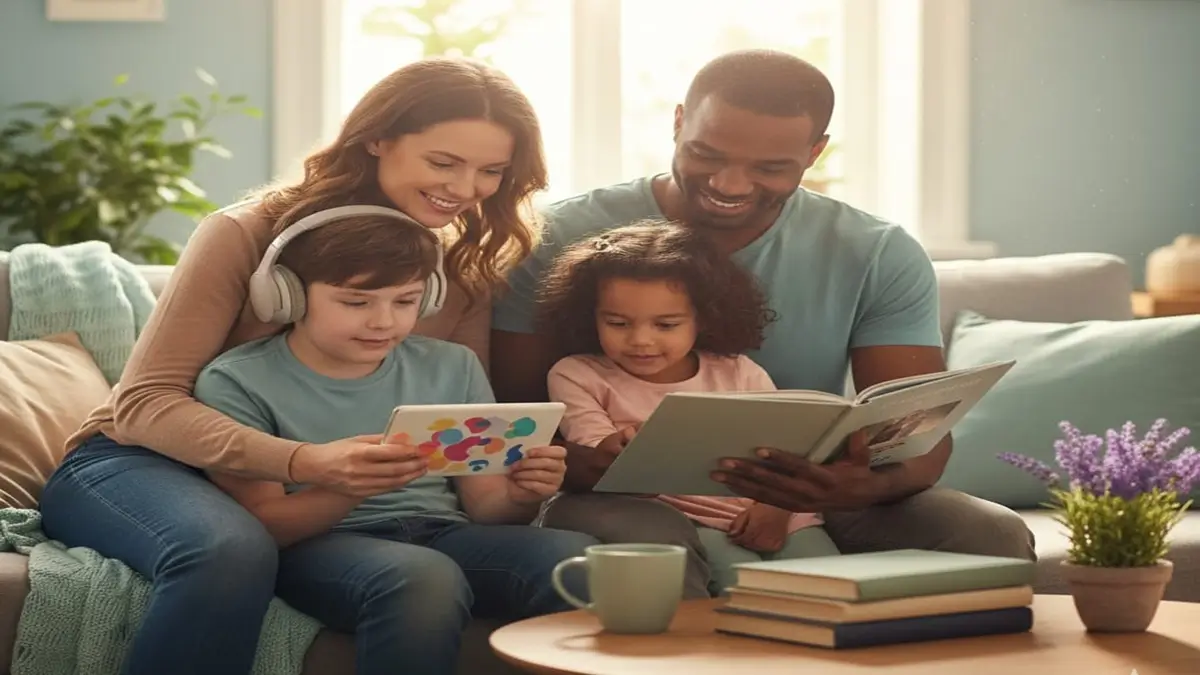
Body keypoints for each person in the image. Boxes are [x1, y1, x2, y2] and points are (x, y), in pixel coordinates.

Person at [38, 57, 564, 675]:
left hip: (311, 494)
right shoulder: (246, 232)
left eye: (492, 171)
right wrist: (305, 463)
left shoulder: (457, 264)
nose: (466, 188)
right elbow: (145, 403)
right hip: (142, 461)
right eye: (443, 162)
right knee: (229, 549)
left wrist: (515, 477)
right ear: (377, 140)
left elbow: (455, 425)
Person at [490, 49, 1036, 598]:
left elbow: (919, 442)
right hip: (631, 498)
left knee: (987, 533)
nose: (729, 184)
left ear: (815, 152)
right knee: (650, 542)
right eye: (706, 154)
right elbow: (518, 415)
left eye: (770, 168)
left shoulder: (876, 252)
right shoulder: (559, 233)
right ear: (679, 122)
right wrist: (593, 461)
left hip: (803, 501)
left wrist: (857, 484)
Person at [194, 208, 594, 675]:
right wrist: (348, 485)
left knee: (578, 557)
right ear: (291, 297)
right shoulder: (237, 381)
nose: (383, 321)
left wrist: (524, 495)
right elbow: (268, 527)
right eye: (356, 303)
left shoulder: (452, 365)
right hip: (320, 547)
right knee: (422, 576)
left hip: (444, 532)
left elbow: (487, 507)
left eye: (405, 302)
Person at [536, 220, 840, 595]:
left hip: (779, 512)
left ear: (704, 317)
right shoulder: (577, 374)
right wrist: (620, 453)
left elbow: (787, 453)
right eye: (617, 322)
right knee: (740, 591)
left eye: (666, 324)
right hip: (688, 521)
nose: (640, 340)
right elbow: (596, 453)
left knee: (831, 585)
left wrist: (776, 510)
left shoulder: (739, 371)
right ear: (590, 315)